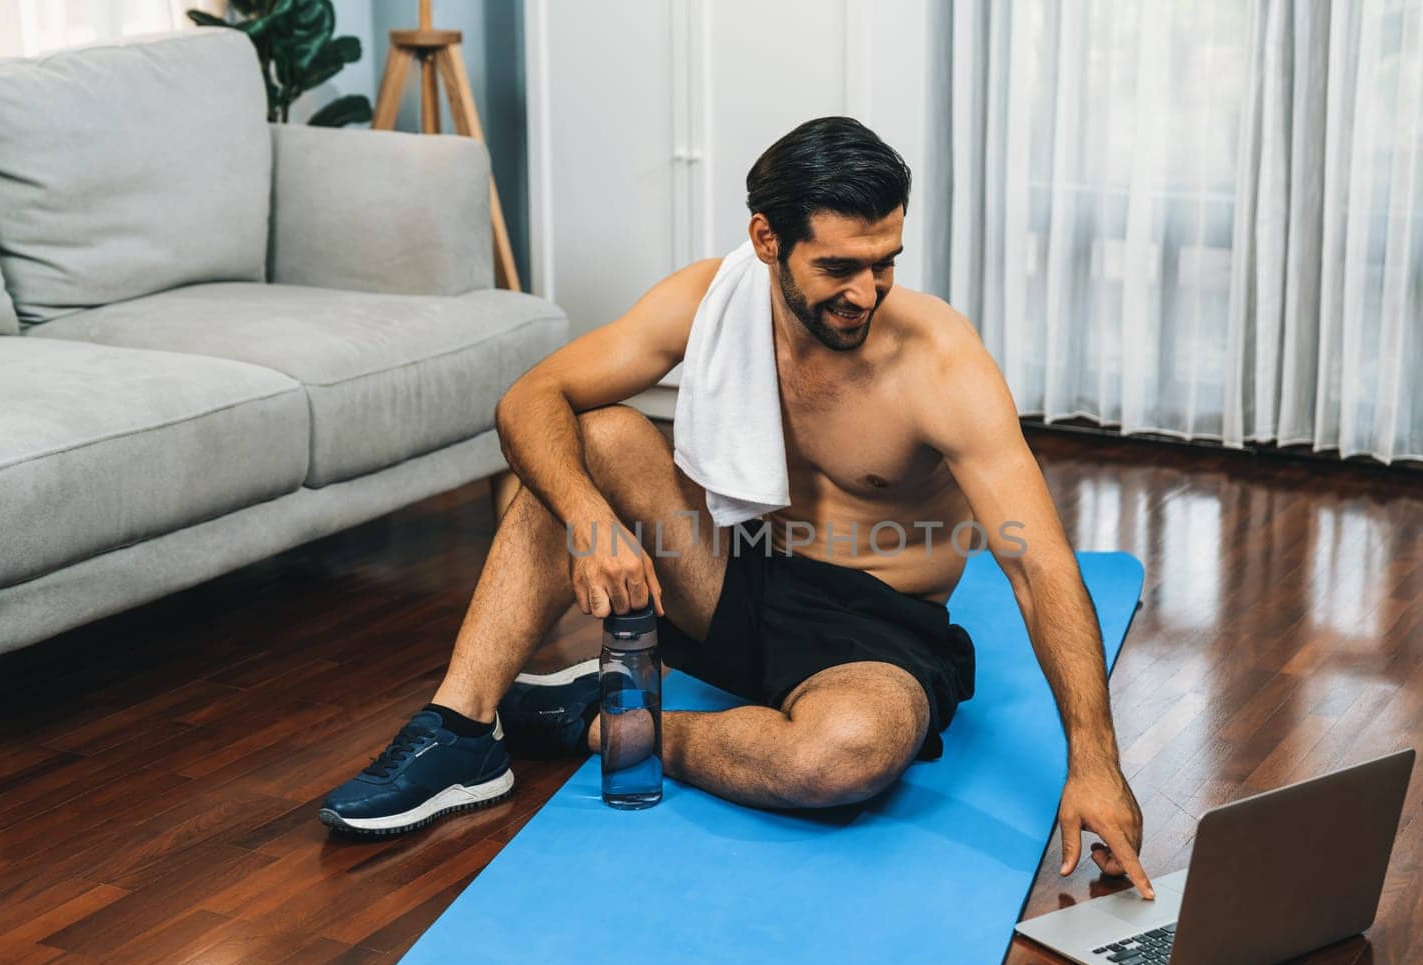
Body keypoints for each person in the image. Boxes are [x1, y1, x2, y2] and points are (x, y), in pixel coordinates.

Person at [320, 116, 1153, 899]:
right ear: (767, 241)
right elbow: (532, 398)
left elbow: (1038, 564)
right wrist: (590, 521)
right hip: (735, 577)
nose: (866, 293)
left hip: (877, 630)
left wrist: (1095, 761)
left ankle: (601, 718)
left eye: (885, 261)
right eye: (837, 268)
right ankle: (461, 732)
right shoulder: (711, 301)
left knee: (843, 757)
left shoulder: (939, 363)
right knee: (598, 439)